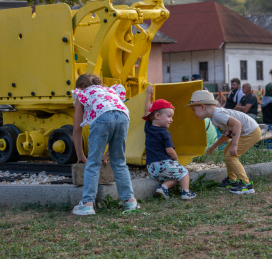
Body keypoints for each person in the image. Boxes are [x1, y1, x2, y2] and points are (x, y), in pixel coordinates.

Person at [72, 74, 137, 215]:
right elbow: (115, 121)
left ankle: (87, 204)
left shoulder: (82, 94)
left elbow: (77, 129)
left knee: (93, 163)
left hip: (102, 117)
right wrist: (108, 154)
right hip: (123, 116)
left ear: (80, 87)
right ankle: (130, 201)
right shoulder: (110, 91)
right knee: (119, 161)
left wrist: (81, 155)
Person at [186, 90, 261, 194]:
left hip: (251, 131)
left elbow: (237, 125)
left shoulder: (217, 114)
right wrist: (214, 146)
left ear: (203, 107)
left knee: (231, 156)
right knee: (227, 151)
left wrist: (234, 145)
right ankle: (232, 180)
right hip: (249, 131)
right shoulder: (216, 117)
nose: (193, 113)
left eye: (194, 109)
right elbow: (227, 134)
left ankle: (246, 185)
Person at [143, 85, 196, 200]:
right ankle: (186, 192)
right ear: (157, 116)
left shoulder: (148, 127)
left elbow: (147, 112)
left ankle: (163, 187)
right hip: (164, 164)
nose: (171, 119)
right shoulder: (164, 132)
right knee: (184, 173)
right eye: (169, 116)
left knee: (175, 175)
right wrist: (176, 161)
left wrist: (148, 95)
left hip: (151, 168)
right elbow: (169, 150)